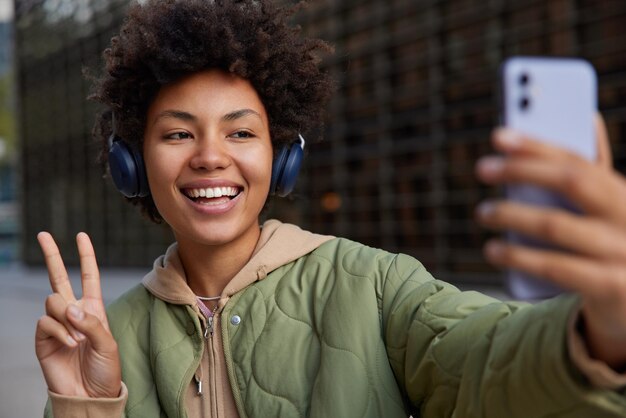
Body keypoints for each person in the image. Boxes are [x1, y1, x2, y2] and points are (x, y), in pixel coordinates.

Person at [34, 1, 626, 417]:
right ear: (131, 165)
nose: (211, 157)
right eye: (178, 134)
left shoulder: (377, 287)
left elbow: (489, 366)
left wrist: (597, 337)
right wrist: (87, 410)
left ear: (282, 156)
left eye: (241, 134)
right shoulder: (109, 339)